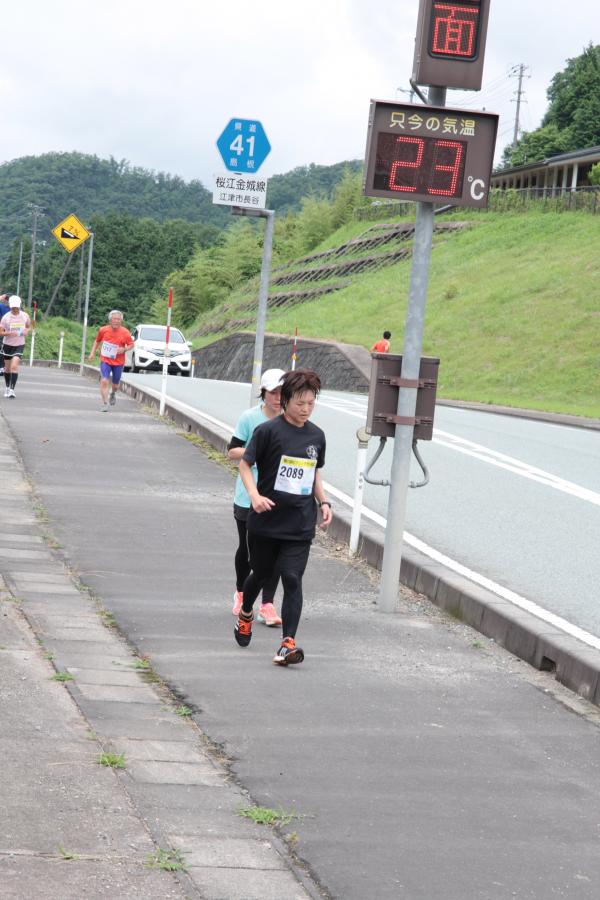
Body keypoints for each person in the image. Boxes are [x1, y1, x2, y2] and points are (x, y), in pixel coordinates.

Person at [234, 369, 332, 666]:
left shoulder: (316, 435)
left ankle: (287, 643)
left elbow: (314, 471)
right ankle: (246, 611)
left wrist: (323, 502)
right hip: (266, 520)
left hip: (300, 522)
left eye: (311, 404)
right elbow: (244, 465)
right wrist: (254, 496)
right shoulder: (267, 431)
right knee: (260, 574)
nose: (305, 409)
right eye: (300, 403)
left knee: (292, 578)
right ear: (286, 400)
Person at [227, 369, 285, 627]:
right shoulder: (250, 418)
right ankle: (241, 592)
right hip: (247, 494)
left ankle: (268, 604)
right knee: (249, 550)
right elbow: (232, 451)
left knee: (274, 554)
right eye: (273, 392)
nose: (278, 397)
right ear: (263, 393)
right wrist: (256, 451)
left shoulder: (291, 422)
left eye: (282, 392)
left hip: (277, 495)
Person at [88, 310, 134, 411]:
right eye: (114, 319)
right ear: (110, 320)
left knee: (115, 385)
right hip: (105, 360)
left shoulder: (125, 332)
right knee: (104, 380)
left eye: (118, 319)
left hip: (118, 362)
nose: (116, 321)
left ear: (121, 321)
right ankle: (105, 403)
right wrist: (92, 353)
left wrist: (124, 349)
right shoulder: (103, 330)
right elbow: (97, 341)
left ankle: (113, 393)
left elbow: (131, 345)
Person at [0, 296, 30, 399]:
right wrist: (9, 333)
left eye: (16, 307)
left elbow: (29, 326)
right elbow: (1, 332)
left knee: (14, 367)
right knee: (7, 369)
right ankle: (7, 387)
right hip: (7, 345)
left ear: (19, 306)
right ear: (10, 306)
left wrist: (26, 331)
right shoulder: (6, 317)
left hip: (19, 344)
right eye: (13, 307)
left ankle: (12, 390)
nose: (15, 309)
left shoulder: (25, 316)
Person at [0, 294, 10, 376]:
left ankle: (3, 368)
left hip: (5, 331)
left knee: (3, 350)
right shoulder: (18, 308)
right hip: (10, 332)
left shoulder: (1, 306)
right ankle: (3, 368)